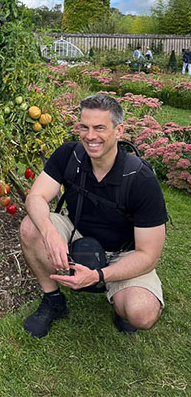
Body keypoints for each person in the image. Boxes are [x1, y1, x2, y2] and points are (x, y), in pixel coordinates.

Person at [19, 94, 167, 337]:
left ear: (119, 130)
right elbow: (35, 197)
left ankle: (122, 298)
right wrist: (49, 233)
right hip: (78, 232)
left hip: (125, 251)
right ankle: (53, 300)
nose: (90, 136)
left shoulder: (141, 179)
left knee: (142, 313)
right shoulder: (69, 155)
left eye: (99, 128)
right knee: (30, 227)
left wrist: (99, 275)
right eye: (84, 127)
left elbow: (149, 255)